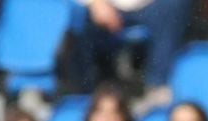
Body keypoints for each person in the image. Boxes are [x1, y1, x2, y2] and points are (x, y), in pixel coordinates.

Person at [65, 0, 194, 97]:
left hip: (152, 7)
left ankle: (157, 87)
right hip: (104, 8)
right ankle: (86, 95)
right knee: (78, 21)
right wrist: (95, 3)